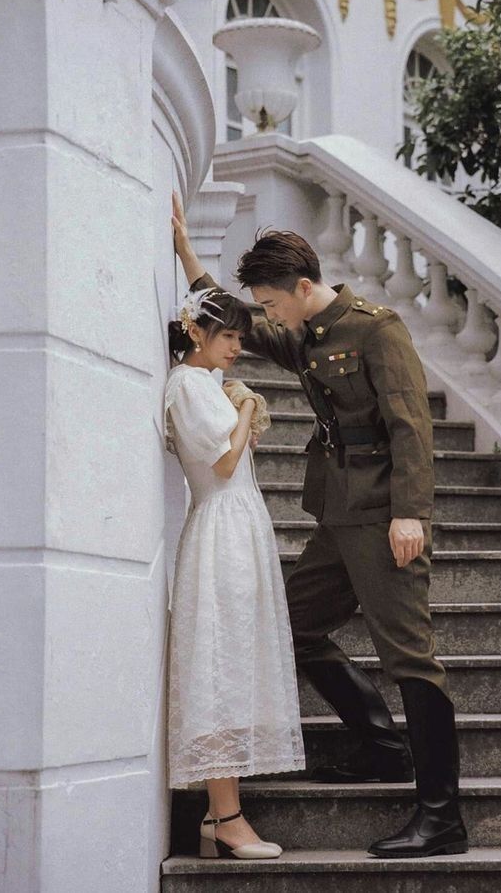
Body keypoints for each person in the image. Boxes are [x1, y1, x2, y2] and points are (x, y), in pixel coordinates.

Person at [172, 193, 467, 859]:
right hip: (337, 515)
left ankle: (442, 816)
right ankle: (383, 747)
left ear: (304, 287)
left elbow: (410, 426)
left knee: (409, 655)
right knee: (293, 627)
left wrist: (410, 513)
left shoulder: (376, 329)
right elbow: (236, 316)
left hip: (384, 516)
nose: (267, 317)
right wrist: (188, 254)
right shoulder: (305, 331)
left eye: (274, 303)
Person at [165, 285, 305, 860]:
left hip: (239, 528)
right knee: (220, 666)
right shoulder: (185, 384)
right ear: (196, 332)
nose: (237, 347)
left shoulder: (205, 384)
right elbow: (222, 465)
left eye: (240, 338)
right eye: (228, 335)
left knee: (237, 663)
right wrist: (247, 406)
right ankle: (227, 817)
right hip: (220, 529)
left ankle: (216, 814)